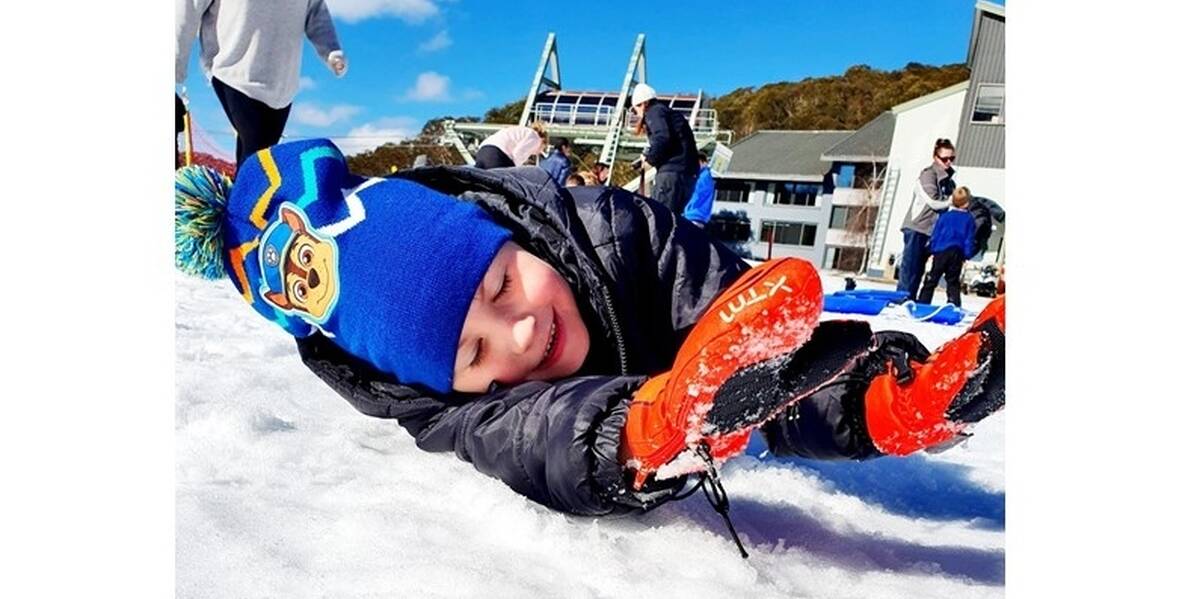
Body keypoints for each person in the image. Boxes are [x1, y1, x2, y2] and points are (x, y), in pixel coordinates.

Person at [175, 138, 1004, 551]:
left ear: (504, 233)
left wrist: (873, 401)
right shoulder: (455, 407)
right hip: (643, 416)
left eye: (501, 287)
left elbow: (754, 332)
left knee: (778, 356)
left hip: (708, 357)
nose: (522, 332)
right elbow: (532, 438)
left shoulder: (617, 231)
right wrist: (640, 430)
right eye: (474, 353)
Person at [175, 0, 348, 170]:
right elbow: (187, 8)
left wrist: (331, 50)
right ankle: (250, 196)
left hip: (282, 82)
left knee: (260, 154)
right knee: (257, 155)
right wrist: (176, 61)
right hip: (235, 69)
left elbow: (316, 13)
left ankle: (243, 195)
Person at [897, 138, 957, 301]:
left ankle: (913, 300)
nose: (948, 162)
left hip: (932, 232)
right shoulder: (928, 175)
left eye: (952, 159)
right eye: (944, 159)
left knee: (920, 269)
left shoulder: (949, 181)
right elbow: (933, 202)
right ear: (935, 157)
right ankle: (902, 299)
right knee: (910, 268)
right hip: (917, 227)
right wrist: (952, 201)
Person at [630, 83, 700, 215]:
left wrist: (650, 160)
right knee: (674, 221)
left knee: (660, 218)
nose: (636, 115)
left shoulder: (654, 112)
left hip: (671, 174)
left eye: (634, 110)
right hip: (688, 174)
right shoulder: (669, 114)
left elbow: (662, 137)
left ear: (642, 104)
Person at [917, 187, 977, 307]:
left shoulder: (945, 216)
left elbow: (936, 234)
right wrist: (967, 254)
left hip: (941, 251)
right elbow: (969, 239)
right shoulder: (969, 219)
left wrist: (932, 249)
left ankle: (923, 303)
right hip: (957, 252)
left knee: (932, 278)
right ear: (967, 203)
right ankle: (954, 304)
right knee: (953, 281)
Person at [474, 122, 547, 169]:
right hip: (497, 153)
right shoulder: (536, 138)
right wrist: (515, 170)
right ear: (543, 141)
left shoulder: (520, 130)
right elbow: (518, 153)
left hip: (482, 151)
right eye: (543, 148)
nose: (540, 152)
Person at [682, 152, 715, 226]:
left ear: (703, 162)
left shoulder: (703, 177)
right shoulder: (705, 176)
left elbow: (695, 194)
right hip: (698, 215)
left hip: (694, 214)